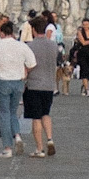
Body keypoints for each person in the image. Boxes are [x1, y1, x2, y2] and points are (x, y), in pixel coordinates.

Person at [0, 16, 35, 157]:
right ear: (13, 33)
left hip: (2, 81)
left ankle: (7, 147)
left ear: (1, 33)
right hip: (18, 81)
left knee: (4, 114)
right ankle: (18, 136)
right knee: (13, 111)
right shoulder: (22, 46)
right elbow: (32, 63)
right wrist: (25, 72)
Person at [24, 13, 58, 156]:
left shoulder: (29, 46)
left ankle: (39, 148)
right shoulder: (53, 45)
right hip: (49, 84)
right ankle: (50, 139)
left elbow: (27, 65)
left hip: (34, 84)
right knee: (46, 113)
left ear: (33, 30)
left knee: (36, 117)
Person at [71, 19, 89, 97]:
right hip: (82, 53)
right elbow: (83, 43)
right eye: (84, 25)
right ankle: (87, 90)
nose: (85, 26)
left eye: (87, 24)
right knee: (84, 70)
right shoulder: (80, 33)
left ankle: (84, 85)